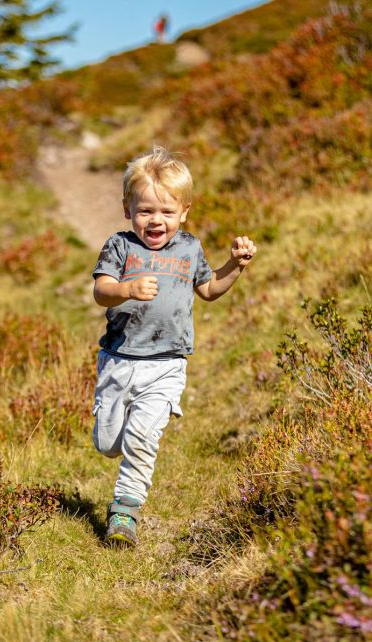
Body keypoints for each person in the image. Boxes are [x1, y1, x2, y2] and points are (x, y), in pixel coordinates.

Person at [92, 146, 257, 546]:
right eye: (145, 210)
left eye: (167, 211)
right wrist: (126, 289)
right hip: (119, 359)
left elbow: (209, 289)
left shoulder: (189, 248)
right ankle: (118, 449)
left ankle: (125, 512)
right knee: (108, 444)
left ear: (184, 211)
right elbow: (101, 291)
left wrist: (235, 266)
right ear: (127, 208)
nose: (156, 220)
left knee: (142, 438)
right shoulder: (120, 246)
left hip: (167, 364)